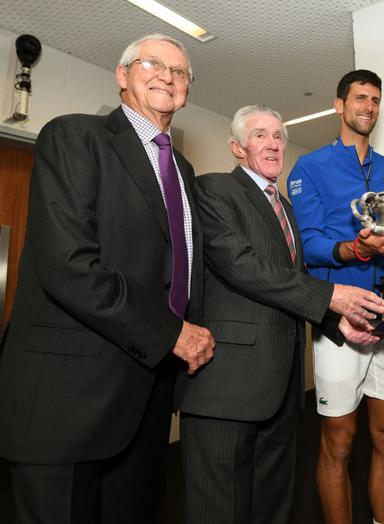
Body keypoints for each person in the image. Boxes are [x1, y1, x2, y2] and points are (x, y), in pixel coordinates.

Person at [0, 34, 215, 524]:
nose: (167, 76)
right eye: (152, 64)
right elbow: (69, 266)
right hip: (69, 397)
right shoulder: (74, 136)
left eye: (179, 72)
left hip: (150, 391)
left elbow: (179, 266)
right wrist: (172, 333)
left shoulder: (182, 168)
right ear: (122, 76)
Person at [179, 104, 384, 524]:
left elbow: (291, 283)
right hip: (228, 387)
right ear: (237, 147)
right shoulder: (214, 190)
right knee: (220, 510)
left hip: (282, 388)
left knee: (272, 507)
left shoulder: (287, 208)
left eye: (278, 135)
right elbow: (243, 266)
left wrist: (336, 322)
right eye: (260, 135)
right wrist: (332, 296)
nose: (273, 143)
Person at [288, 69, 384, 524]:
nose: (368, 107)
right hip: (341, 318)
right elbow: (310, 245)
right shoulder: (310, 168)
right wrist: (357, 248)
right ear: (340, 105)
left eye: (376, 99)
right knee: (338, 441)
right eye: (360, 98)